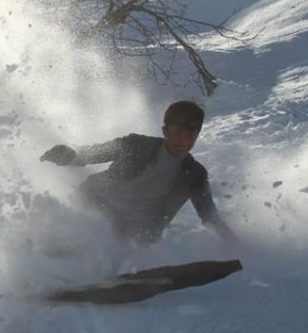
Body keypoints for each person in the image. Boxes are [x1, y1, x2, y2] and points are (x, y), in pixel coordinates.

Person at [41, 101, 237, 246]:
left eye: (190, 135)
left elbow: (209, 215)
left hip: (137, 231)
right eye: (177, 132)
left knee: (123, 242)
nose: (183, 140)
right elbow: (94, 154)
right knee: (69, 239)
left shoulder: (194, 174)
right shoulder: (136, 145)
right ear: (165, 131)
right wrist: (67, 155)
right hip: (95, 205)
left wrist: (236, 245)